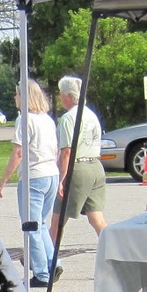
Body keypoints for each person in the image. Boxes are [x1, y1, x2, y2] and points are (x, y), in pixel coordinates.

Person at [0, 79, 60, 288]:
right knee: (41, 223)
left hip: (34, 176)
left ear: (24, 96)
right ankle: (53, 262)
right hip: (51, 173)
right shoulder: (47, 120)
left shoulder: (25, 119)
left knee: (31, 226)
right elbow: (56, 150)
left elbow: (18, 152)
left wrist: (3, 180)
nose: (15, 97)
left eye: (17, 94)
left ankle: (41, 273)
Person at [50, 75, 107, 245]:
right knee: (97, 218)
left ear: (69, 95)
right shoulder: (91, 115)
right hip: (95, 166)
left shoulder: (69, 118)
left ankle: (47, 254)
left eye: (61, 94)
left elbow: (67, 151)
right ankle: (112, 247)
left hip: (78, 167)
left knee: (58, 220)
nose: (60, 97)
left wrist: (61, 179)